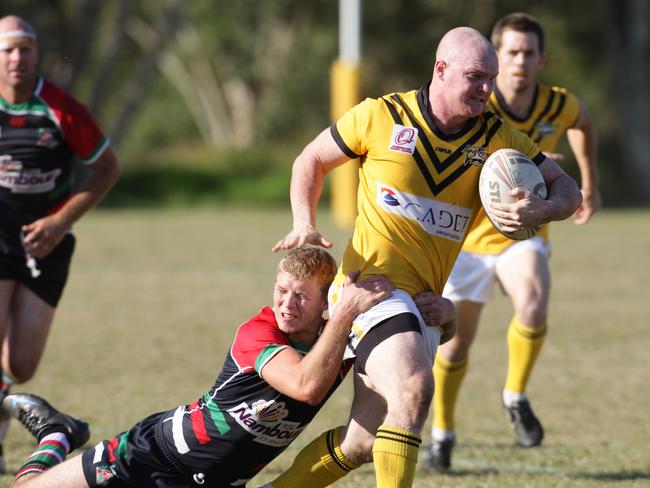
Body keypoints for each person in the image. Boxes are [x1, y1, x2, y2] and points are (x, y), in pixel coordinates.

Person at [270, 26, 582, 488]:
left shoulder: (498, 141)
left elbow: (567, 189)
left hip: (424, 307)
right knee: (415, 389)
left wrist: (546, 208)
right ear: (441, 69)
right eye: (476, 76)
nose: (486, 89)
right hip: (369, 291)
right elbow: (309, 160)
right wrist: (303, 220)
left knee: (363, 441)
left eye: (490, 79)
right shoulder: (381, 116)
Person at [0, 246, 404, 487]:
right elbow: (306, 386)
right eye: (281, 291)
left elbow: (409, 342)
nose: (286, 304)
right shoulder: (258, 333)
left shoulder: (338, 338)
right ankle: (58, 433)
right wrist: (347, 316)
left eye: (301, 296)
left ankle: (60, 432)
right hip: (153, 455)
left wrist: (444, 313)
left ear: (325, 302)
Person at [428, 13, 601, 471]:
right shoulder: (476, 104)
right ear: (496, 59)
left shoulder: (556, 104)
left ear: (541, 59)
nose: (520, 60)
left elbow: (583, 121)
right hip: (465, 240)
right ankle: (442, 434)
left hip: (522, 234)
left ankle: (515, 396)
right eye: (511, 52)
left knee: (534, 301)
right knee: (455, 346)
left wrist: (587, 180)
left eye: (528, 52)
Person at [0, 15, 121, 472]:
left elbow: (107, 168)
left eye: (24, 49)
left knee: (21, 364)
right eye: (8, 49)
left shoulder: (62, 110)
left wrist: (58, 221)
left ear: (36, 54)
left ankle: (11, 407)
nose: (16, 58)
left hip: (46, 243)